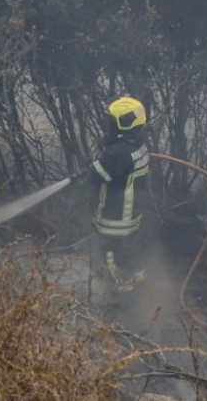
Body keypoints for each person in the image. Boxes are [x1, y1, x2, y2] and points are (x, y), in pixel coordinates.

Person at [77, 95, 152, 294]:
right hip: (132, 213)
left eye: (111, 120)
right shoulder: (139, 145)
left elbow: (95, 177)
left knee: (109, 251)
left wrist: (100, 156)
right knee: (129, 247)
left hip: (115, 216)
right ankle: (139, 278)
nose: (109, 124)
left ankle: (122, 293)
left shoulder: (118, 153)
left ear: (123, 122)